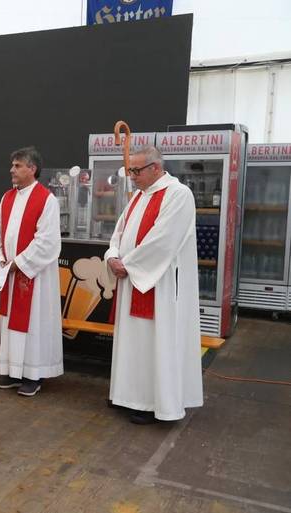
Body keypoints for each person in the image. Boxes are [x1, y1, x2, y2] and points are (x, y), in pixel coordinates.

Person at [105, 146, 203, 424]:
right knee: (132, 343)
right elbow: (119, 234)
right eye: (130, 170)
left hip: (157, 285)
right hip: (133, 280)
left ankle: (154, 403)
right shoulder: (138, 196)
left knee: (154, 342)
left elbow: (163, 241)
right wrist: (112, 256)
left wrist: (128, 265)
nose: (132, 176)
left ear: (156, 168)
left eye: (136, 170)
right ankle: (128, 395)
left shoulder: (178, 195)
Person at [0, 146, 63, 397]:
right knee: (10, 324)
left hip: (33, 275)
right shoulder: (7, 197)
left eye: (18, 165)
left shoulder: (47, 200)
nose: (12, 170)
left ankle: (33, 374)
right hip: (10, 274)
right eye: (13, 165)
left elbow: (47, 241)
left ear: (32, 169)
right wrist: (0, 260)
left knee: (34, 323)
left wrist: (19, 263)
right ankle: (12, 371)